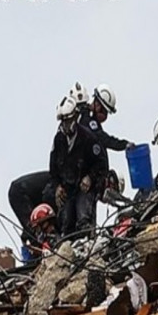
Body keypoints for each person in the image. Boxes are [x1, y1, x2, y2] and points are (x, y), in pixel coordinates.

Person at [49, 96, 108, 237]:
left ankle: (88, 245)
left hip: (84, 187)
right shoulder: (59, 140)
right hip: (68, 188)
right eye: (63, 121)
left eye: (68, 120)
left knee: (83, 219)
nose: (65, 125)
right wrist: (57, 186)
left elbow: (101, 163)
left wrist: (90, 177)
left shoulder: (88, 138)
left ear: (75, 117)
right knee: (66, 223)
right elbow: (53, 169)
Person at [76, 83, 135, 152]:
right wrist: (124, 144)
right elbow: (104, 139)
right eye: (104, 111)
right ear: (97, 104)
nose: (105, 115)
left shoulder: (89, 117)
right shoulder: (87, 119)